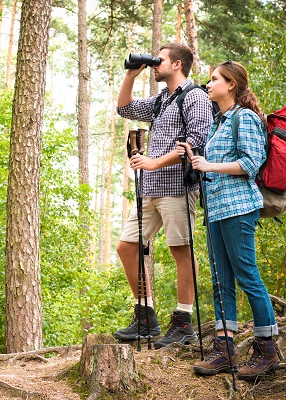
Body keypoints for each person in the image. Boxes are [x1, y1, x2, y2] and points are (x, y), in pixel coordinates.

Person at [176, 60, 280, 381]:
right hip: (216, 209)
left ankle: (266, 348)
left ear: (231, 84)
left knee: (247, 275)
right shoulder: (217, 123)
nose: (208, 84)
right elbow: (209, 164)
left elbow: (251, 163)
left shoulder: (244, 118)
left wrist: (210, 166)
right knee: (221, 280)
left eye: (214, 79)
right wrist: (193, 158)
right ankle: (225, 349)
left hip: (239, 207)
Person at [114, 42, 213, 349]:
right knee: (126, 247)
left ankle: (183, 322)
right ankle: (145, 315)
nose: (155, 64)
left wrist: (154, 162)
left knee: (180, 250)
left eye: (161, 60)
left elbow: (197, 141)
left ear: (178, 65)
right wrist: (132, 75)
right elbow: (124, 108)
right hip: (150, 189)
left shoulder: (195, 96)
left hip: (178, 188)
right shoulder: (160, 100)